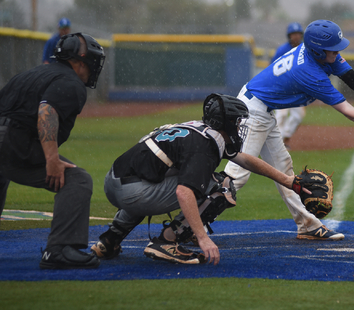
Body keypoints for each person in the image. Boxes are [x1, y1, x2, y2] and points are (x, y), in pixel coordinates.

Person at [224, 19, 354, 241]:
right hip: (252, 112)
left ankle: (308, 225)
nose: (338, 52)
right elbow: (347, 110)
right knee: (237, 176)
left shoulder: (321, 54)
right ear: (319, 51)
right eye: (333, 49)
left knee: (284, 169)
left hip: (262, 108)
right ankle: (187, 225)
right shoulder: (309, 72)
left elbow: (353, 79)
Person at [91, 93, 312, 265]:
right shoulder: (205, 145)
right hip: (132, 192)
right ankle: (167, 242)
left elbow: (246, 160)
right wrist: (203, 237)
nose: (239, 128)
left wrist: (288, 181)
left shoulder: (200, 129)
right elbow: (184, 192)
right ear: (224, 123)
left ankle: (110, 240)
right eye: (237, 123)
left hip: (115, 182)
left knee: (160, 176)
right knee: (222, 187)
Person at [0, 32, 106, 269]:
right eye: (92, 62)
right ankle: (59, 250)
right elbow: (46, 111)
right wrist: (51, 159)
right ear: (79, 62)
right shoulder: (72, 82)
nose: (93, 68)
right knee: (78, 180)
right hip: (6, 140)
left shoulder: (32, 73)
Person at [271, 22, 306, 148]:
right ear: (289, 36)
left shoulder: (305, 49)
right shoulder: (282, 50)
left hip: (297, 89)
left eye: (298, 34)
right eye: (293, 34)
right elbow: (272, 69)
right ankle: (277, 143)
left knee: (298, 116)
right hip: (282, 88)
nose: (296, 36)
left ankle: (286, 138)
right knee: (282, 115)